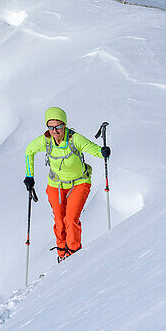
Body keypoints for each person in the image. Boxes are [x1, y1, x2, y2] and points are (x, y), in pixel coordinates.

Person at [24, 106, 110, 262]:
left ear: (64, 124)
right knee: (59, 220)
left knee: (71, 220)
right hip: (55, 185)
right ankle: (62, 254)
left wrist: (103, 152)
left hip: (79, 183)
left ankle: (74, 255)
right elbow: (29, 150)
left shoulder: (74, 139)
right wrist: (29, 176)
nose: (55, 130)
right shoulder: (46, 141)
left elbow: (93, 149)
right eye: (51, 127)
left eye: (58, 126)